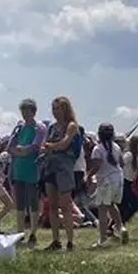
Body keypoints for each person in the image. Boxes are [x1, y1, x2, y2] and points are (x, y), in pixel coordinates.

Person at [41, 96, 81, 251]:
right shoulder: (52, 127)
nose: (55, 112)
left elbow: (65, 144)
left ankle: (70, 241)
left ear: (65, 109)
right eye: (53, 108)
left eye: (58, 108)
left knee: (66, 206)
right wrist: (48, 148)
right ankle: (55, 240)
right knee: (52, 205)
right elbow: (46, 145)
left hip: (64, 168)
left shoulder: (71, 126)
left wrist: (51, 146)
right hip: (51, 166)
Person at [7, 99, 47, 247]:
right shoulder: (19, 127)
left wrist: (21, 150)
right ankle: (20, 233)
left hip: (32, 169)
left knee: (33, 202)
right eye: (22, 111)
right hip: (18, 168)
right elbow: (10, 146)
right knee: (19, 202)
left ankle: (33, 233)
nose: (24, 114)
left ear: (33, 111)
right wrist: (21, 150)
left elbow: (35, 146)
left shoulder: (40, 127)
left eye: (27, 111)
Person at [88, 123, 126, 248]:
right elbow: (121, 163)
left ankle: (103, 239)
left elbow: (97, 166)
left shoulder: (97, 149)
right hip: (118, 180)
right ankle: (121, 228)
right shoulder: (116, 147)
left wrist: (87, 176)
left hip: (106, 181)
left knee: (102, 210)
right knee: (111, 205)